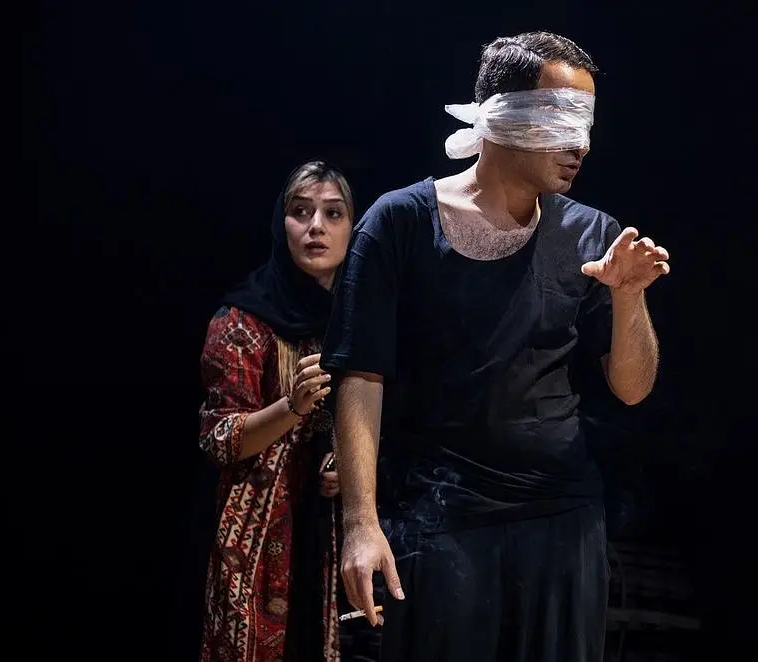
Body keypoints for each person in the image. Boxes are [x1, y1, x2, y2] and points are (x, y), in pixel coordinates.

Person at [321, 31, 670, 662]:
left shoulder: (594, 234)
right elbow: (361, 377)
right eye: (562, 118)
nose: (581, 144)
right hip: (439, 517)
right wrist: (360, 522)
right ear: (503, 115)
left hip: (560, 519)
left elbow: (632, 388)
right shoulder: (399, 223)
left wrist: (629, 296)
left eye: (587, 123)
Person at [197, 160, 354, 662]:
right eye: (300, 212)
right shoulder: (243, 320)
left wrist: (353, 466)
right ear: (280, 224)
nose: (316, 227)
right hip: (260, 540)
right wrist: (292, 407)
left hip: (339, 537)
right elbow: (220, 438)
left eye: (333, 213)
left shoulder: (361, 320)